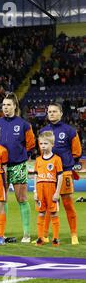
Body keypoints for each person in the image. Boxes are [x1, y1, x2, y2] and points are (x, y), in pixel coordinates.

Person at [39, 103, 82, 245]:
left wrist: (67, 164)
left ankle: (74, 234)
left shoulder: (69, 130)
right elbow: (42, 152)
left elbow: (77, 151)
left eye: (54, 111)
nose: (51, 114)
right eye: (49, 111)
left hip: (65, 172)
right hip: (48, 175)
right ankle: (44, 236)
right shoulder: (44, 131)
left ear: (61, 113)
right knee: (46, 206)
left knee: (68, 204)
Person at [0, 92, 35, 243]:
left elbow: (31, 145)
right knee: (2, 200)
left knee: (22, 199)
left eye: (8, 105)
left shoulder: (24, 124)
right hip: (1, 168)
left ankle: (26, 234)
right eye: (4, 105)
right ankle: (1, 234)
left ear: (14, 106)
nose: (5, 108)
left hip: (18, 165)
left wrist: (22, 158)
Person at [34, 131, 63, 247]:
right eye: (41, 144)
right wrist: (35, 191)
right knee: (41, 213)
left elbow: (60, 175)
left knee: (53, 213)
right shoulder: (38, 160)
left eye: (45, 144)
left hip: (51, 189)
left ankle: (55, 238)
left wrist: (57, 192)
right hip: (40, 189)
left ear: (52, 144)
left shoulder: (57, 159)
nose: (43, 146)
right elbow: (36, 175)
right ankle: (40, 238)